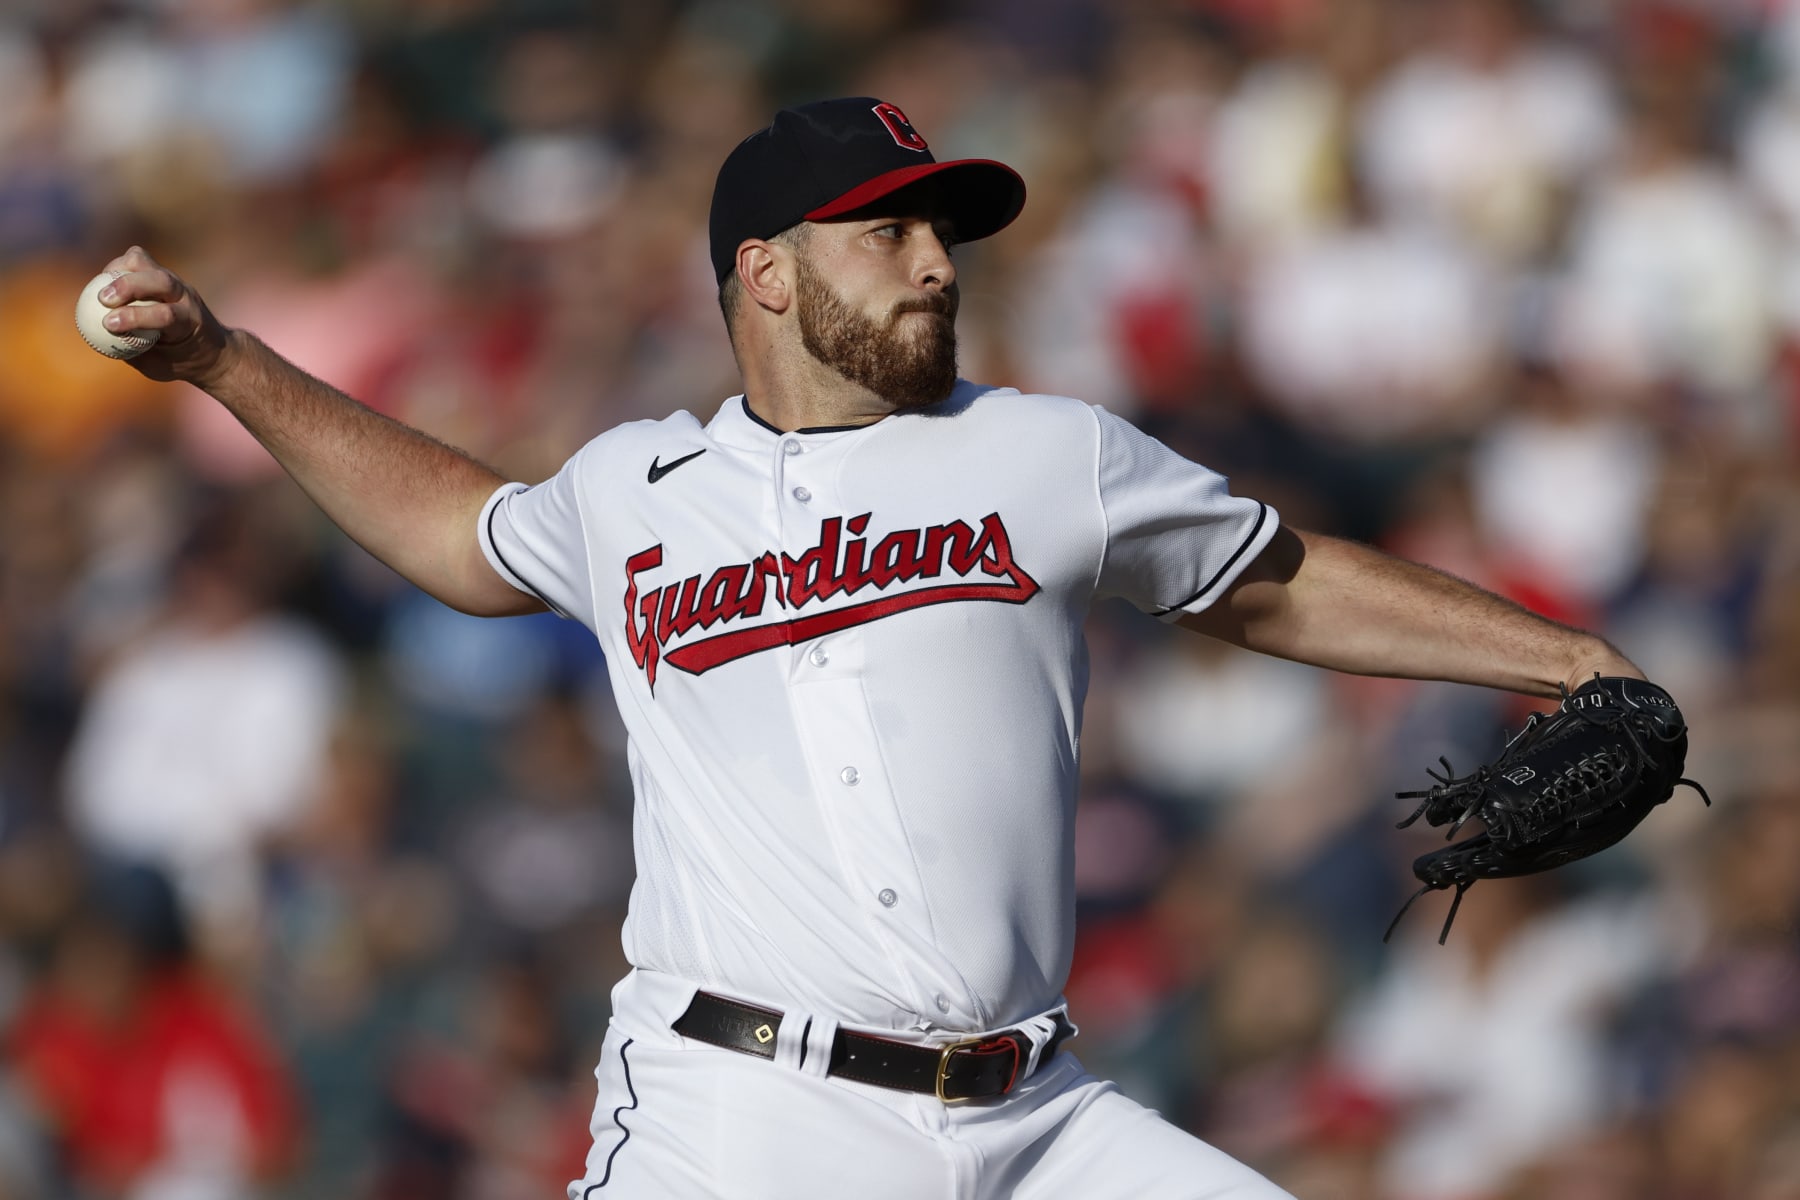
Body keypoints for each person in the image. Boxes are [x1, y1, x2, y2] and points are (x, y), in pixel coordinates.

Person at [97, 97, 1651, 1199]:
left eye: (942, 231)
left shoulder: (1049, 453)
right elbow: (461, 534)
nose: (936, 261)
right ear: (763, 270)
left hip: (1044, 1120)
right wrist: (228, 361)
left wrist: (1563, 659)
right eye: (887, 228)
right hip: (747, 1118)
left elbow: (1277, 582)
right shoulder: (632, 492)